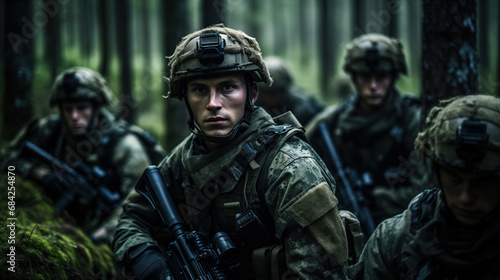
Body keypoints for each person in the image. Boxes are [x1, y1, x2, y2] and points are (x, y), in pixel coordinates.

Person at [112, 24, 349, 280]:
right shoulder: (186, 156)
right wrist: (144, 256)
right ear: (186, 99)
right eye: (200, 90)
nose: (213, 104)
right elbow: (133, 216)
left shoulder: (291, 167)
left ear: (252, 94)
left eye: (227, 88)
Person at [1, 67, 165, 244]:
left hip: (113, 232)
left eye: (82, 108)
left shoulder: (126, 146)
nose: (74, 116)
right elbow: (7, 157)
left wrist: (98, 237)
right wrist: (39, 173)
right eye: (68, 109)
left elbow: (140, 203)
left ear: (97, 107)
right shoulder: (50, 130)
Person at [349, 94, 500, 280]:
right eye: (454, 177)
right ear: (437, 171)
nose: (465, 197)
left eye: (483, 181)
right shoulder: (393, 241)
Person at [306, 33, 429, 228]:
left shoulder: (412, 120)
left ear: (393, 76)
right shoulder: (330, 122)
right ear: (354, 77)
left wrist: (376, 198)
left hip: (402, 223)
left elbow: (425, 190)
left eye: (381, 77)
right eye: (365, 77)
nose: (373, 86)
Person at [255, 56, 325, 127]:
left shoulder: (302, 105)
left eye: (274, 93)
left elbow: (321, 114)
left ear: (283, 90)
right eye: (267, 93)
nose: (270, 98)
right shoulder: (253, 106)